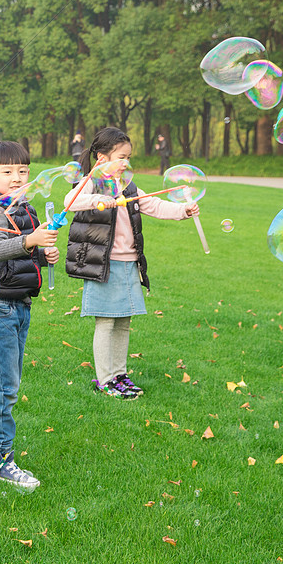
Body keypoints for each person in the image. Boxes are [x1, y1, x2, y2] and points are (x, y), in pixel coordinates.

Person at [62, 127, 197, 399]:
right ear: (101, 158)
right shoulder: (93, 182)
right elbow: (70, 201)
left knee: (123, 322)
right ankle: (104, 379)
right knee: (106, 323)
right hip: (104, 265)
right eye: (121, 157)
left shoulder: (128, 186)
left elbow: (154, 206)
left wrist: (183, 210)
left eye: (128, 157)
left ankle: (119, 375)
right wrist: (101, 198)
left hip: (129, 264)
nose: (126, 162)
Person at [0, 141, 58, 491]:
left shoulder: (22, 207)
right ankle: (0, 461)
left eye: (23, 171)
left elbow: (22, 257)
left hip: (19, 304)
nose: (17, 177)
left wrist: (44, 254)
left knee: (0, 381)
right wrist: (31, 240)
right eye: (8, 172)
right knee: (5, 387)